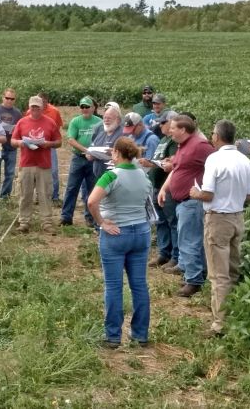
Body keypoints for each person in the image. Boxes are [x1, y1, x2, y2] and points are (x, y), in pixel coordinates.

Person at [190, 120, 250, 335]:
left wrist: (194, 193)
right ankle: (235, 315)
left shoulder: (215, 159)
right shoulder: (245, 160)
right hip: (238, 218)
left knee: (219, 275)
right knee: (233, 270)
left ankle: (219, 324)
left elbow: (207, 193)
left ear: (217, 136)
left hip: (218, 219)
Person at [87, 137, 153, 348]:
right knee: (139, 285)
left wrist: (101, 222)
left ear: (116, 153)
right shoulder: (143, 176)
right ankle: (140, 334)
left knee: (114, 286)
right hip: (141, 232)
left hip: (116, 233)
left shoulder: (110, 176)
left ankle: (113, 336)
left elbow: (91, 201)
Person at [158, 115, 214, 297]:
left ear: (183, 130)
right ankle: (196, 274)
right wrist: (165, 188)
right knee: (189, 240)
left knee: (189, 241)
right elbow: (178, 170)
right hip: (183, 202)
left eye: (173, 128)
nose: (170, 131)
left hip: (193, 202)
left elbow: (215, 164)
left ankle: (194, 281)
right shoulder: (184, 146)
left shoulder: (199, 145)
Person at [11, 96, 61, 234]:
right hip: (26, 163)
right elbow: (13, 140)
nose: (34, 109)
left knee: (45, 194)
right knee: (25, 194)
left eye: (37, 107)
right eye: (32, 106)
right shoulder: (22, 122)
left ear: (42, 108)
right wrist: (21, 143)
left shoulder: (50, 122)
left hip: (44, 164)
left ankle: (47, 222)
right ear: (29, 107)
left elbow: (59, 142)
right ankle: (24, 221)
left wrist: (48, 144)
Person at [138, 111, 179, 269]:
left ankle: (175, 256)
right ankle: (164, 253)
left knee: (171, 222)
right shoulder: (163, 139)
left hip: (166, 187)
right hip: (156, 186)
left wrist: (153, 164)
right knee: (161, 221)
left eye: (163, 123)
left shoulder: (173, 142)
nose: (160, 126)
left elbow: (173, 165)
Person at [60, 96, 101, 228]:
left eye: (87, 106)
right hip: (78, 158)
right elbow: (71, 139)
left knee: (92, 189)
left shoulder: (99, 122)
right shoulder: (75, 121)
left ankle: (90, 218)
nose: (84, 109)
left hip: (94, 160)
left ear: (93, 108)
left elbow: (102, 139)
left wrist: (93, 153)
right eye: (82, 107)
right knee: (72, 187)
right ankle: (66, 217)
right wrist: (86, 150)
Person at [0, 88, 23, 200]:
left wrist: (13, 130)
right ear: (3, 97)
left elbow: (20, 129)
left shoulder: (17, 113)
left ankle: (5, 196)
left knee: (10, 173)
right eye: (7, 98)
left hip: (11, 147)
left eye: (12, 99)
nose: (9, 100)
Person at [90, 105, 123, 180]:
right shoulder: (101, 133)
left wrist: (113, 152)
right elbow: (92, 148)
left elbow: (127, 155)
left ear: (117, 120)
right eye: (104, 118)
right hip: (99, 177)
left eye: (109, 118)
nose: (106, 120)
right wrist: (90, 154)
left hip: (115, 178)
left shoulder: (122, 134)